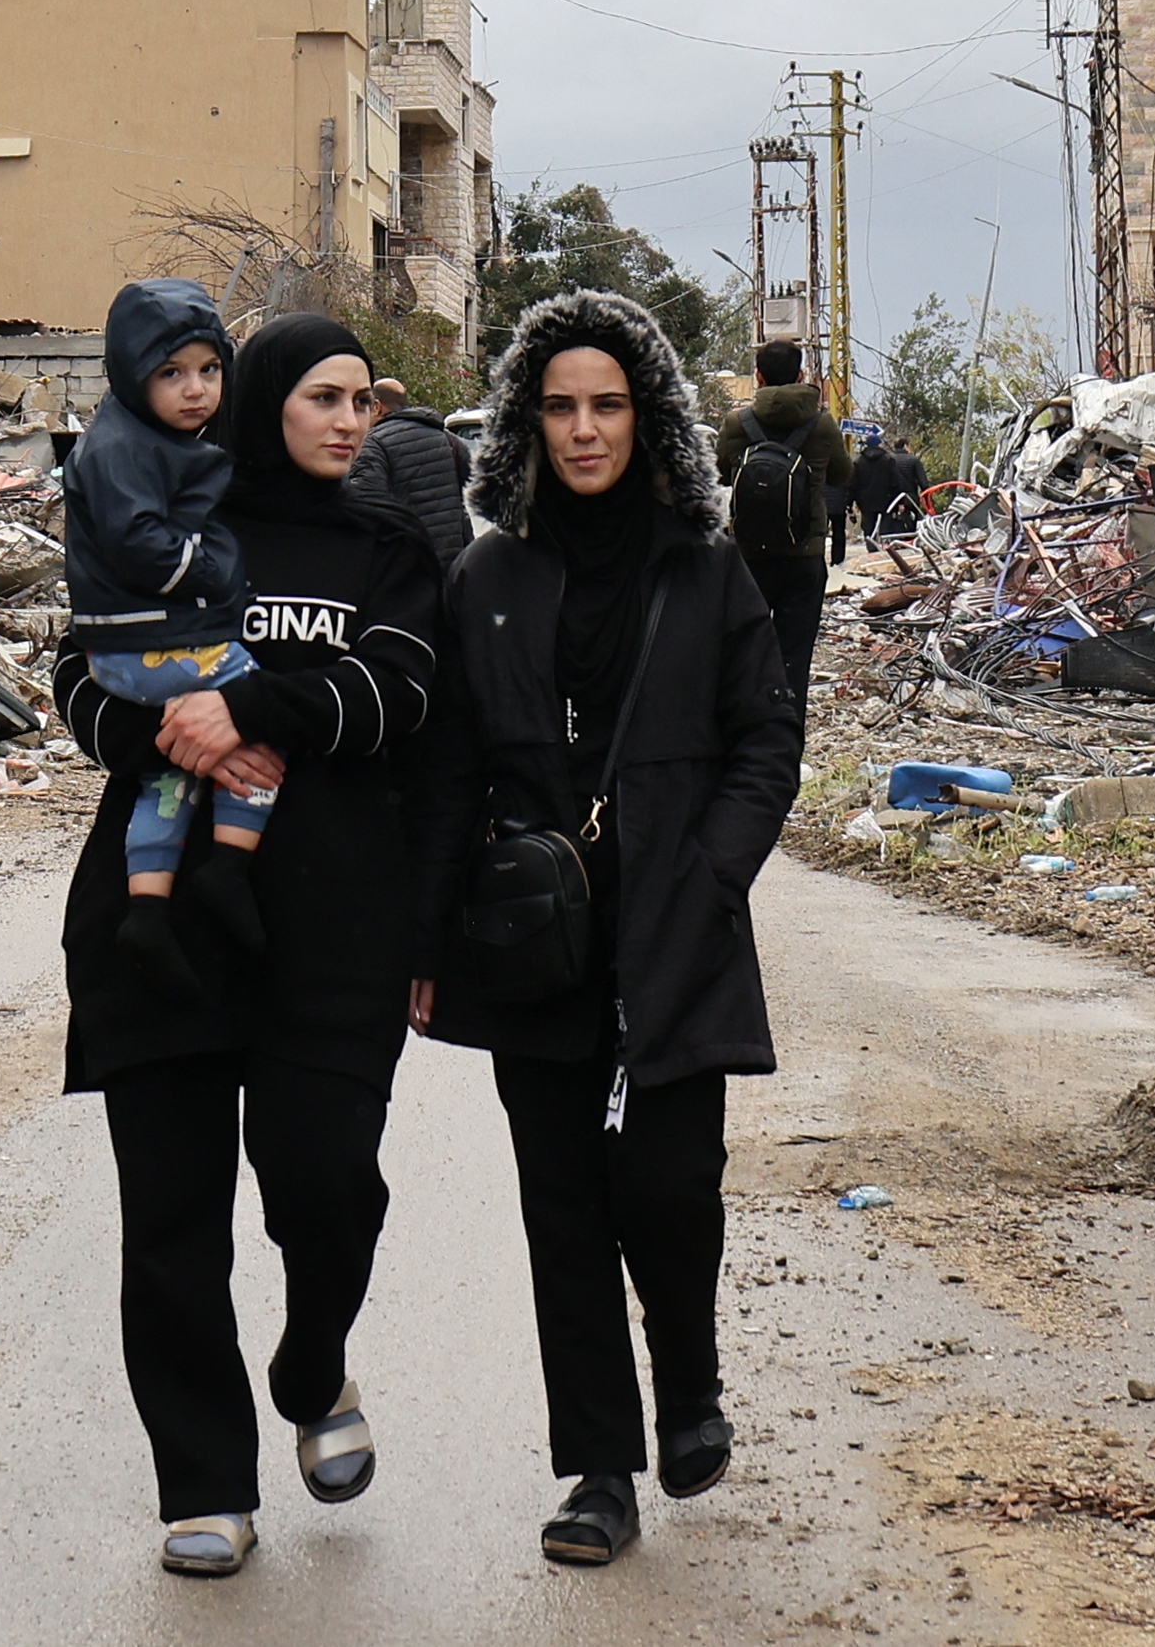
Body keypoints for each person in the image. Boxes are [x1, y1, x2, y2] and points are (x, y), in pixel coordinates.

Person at [415, 288, 802, 1570]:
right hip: (535, 941)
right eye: (561, 407)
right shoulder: (487, 577)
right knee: (565, 1211)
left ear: (649, 418)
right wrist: (430, 939)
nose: (585, 430)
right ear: (527, 421)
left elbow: (767, 736)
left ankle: (689, 1385)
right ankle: (598, 1471)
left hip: (677, 930)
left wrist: (715, 868)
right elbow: (450, 770)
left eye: (609, 405)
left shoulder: (704, 565)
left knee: (672, 1188)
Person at [55, 315, 443, 1581]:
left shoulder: (388, 549)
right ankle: (206, 1483)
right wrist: (165, 733)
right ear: (263, 400)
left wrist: (251, 705)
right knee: (171, 1222)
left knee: (328, 1186)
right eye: (325, 397)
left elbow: (401, 695)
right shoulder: (168, 520)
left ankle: (315, 1364)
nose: (350, 421)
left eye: (364, 401)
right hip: (161, 926)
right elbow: (80, 674)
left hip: (333, 932)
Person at [60, 279, 276, 980]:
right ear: (133, 375)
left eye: (210, 370)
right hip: (146, 643)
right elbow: (139, 542)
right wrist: (211, 569)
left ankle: (147, 910)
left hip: (133, 644)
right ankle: (231, 868)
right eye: (171, 373)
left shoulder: (155, 438)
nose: (196, 390)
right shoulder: (121, 446)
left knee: (170, 772)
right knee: (260, 701)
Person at [713, 338, 852, 718]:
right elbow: (842, 475)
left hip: (748, 556)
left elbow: (720, 473)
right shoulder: (821, 424)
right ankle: (786, 734)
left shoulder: (737, 423)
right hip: (803, 555)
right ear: (801, 375)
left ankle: (744, 729)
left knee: (743, 650)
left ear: (758, 377)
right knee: (794, 656)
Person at [345, 372, 474, 568]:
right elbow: (471, 487)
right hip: (453, 563)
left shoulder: (373, 444)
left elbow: (366, 509)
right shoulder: (449, 440)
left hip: (406, 566)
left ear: (377, 406)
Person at [858, 432, 930, 539]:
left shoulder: (887, 459)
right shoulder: (913, 460)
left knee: (887, 523)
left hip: (888, 498)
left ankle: (883, 542)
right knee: (910, 522)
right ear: (905, 446)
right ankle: (908, 539)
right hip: (909, 497)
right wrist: (927, 500)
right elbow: (923, 483)